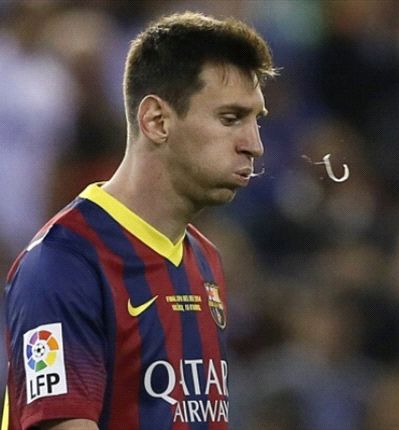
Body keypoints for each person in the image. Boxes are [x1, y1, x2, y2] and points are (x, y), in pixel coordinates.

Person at [3, 11, 277, 430]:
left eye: (256, 120)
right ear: (156, 120)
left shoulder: (204, 259)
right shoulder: (63, 263)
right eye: (230, 118)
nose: (254, 145)